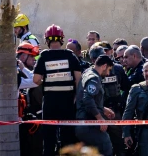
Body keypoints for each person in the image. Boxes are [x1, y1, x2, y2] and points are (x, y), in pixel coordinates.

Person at [33, 24, 83, 156]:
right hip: (68, 103)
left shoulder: (43, 56)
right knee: (67, 138)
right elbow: (79, 79)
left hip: (50, 103)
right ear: (61, 39)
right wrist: (75, 97)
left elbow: (36, 80)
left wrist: (47, 79)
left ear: (47, 40)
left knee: (49, 139)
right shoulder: (70, 56)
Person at [89, 45, 130, 156]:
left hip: (101, 113)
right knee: (117, 144)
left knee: (102, 146)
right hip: (109, 112)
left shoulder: (90, 72)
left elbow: (127, 88)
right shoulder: (117, 68)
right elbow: (127, 88)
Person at [76, 55, 116, 156]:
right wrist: (100, 118)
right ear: (104, 66)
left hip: (84, 124)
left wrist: (102, 109)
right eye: (109, 70)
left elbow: (88, 98)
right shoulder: (94, 78)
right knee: (106, 149)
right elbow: (87, 99)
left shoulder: (87, 72)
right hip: (90, 124)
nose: (108, 73)